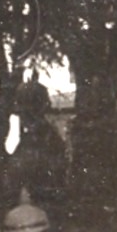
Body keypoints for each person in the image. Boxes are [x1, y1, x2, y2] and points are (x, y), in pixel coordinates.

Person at [10, 82, 70, 215]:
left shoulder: (41, 137)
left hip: (41, 207)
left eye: (24, 113)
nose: (22, 117)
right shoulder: (40, 135)